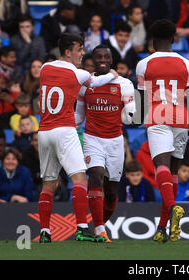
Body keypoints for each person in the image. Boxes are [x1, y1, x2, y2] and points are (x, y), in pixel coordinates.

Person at [37, 33, 118, 243]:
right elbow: (97, 81)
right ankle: (82, 228)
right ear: (67, 51)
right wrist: (112, 74)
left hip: (44, 131)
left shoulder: (45, 68)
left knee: (49, 183)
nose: (83, 54)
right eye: (79, 50)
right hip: (64, 129)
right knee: (80, 178)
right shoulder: (78, 74)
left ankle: (45, 231)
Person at [135, 19, 189, 243]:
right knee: (172, 174)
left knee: (160, 167)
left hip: (157, 116)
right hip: (181, 118)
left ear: (152, 41)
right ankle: (162, 228)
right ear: (173, 39)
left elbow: (142, 98)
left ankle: (171, 208)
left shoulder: (144, 64)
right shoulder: (187, 64)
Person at [74, 44, 135, 242]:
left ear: (111, 60)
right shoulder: (86, 85)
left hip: (115, 141)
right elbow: (79, 115)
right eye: (98, 57)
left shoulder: (124, 84)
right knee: (96, 176)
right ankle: (100, 229)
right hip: (92, 139)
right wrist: (68, 127)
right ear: (92, 60)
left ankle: (98, 225)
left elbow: (131, 113)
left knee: (111, 192)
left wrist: (133, 113)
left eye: (105, 57)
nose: (102, 60)